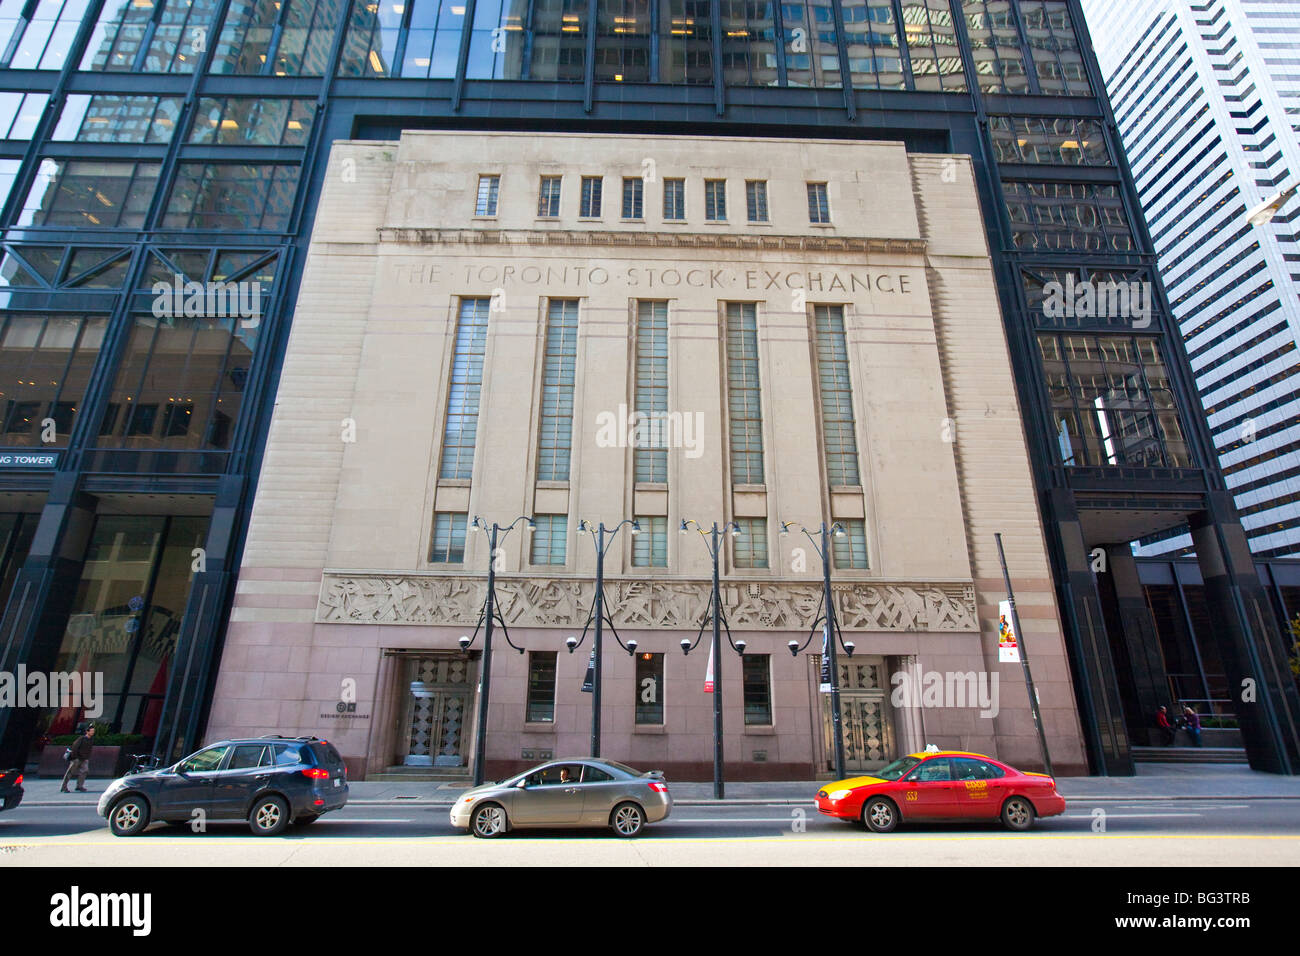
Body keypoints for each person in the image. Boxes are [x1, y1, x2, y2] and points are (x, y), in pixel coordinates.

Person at [61, 724, 95, 792]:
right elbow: (74, 747)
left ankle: (79, 786)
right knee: (70, 772)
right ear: (87, 732)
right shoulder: (81, 738)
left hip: (84, 759)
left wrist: (87, 757)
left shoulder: (91, 740)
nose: (93, 732)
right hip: (77, 759)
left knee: (84, 771)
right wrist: (75, 757)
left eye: (93, 731)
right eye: (91, 731)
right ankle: (63, 787)